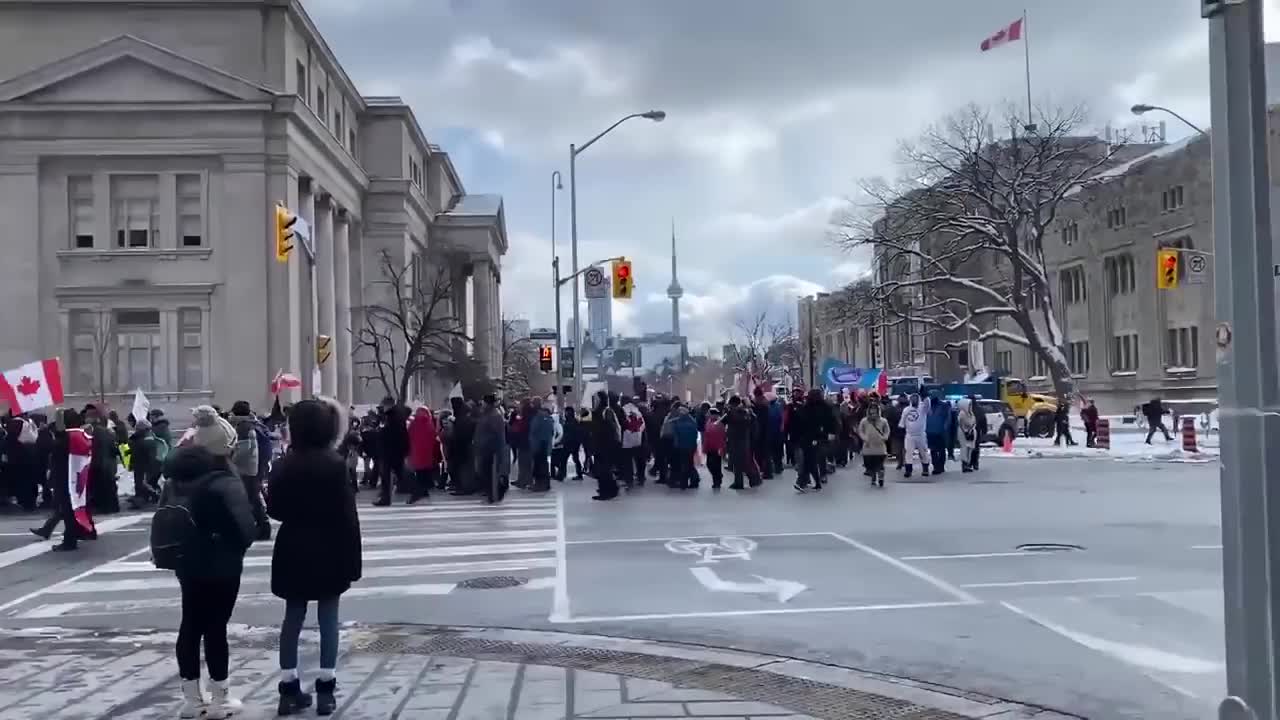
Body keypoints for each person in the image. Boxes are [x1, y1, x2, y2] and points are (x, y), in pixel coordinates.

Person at [267, 397, 363, 716]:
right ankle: (326, 688)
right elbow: (348, 517)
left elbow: (274, 509)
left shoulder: (284, 464)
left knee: (292, 618)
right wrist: (354, 562)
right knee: (328, 619)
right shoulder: (336, 466)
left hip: (293, 544)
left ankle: (288, 686)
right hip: (330, 544)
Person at [160, 442, 257, 719]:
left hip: (186, 564)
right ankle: (220, 698)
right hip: (221, 565)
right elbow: (246, 531)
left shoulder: (174, 485)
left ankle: (192, 700)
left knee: (190, 625)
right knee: (216, 628)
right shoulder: (222, 485)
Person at [406, 406, 440, 503]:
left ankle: (419, 493)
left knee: (419, 473)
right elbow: (434, 436)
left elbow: (408, 436)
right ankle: (423, 491)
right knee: (425, 473)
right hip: (427, 454)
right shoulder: (429, 424)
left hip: (416, 453)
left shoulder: (413, 424)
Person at [858, 397, 890, 487]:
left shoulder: (883, 421)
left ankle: (880, 477)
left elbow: (887, 430)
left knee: (880, 464)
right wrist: (864, 438)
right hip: (868, 446)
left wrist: (885, 437)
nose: (873, 412)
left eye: (875, 410)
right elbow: (860, 430)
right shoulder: (864, 421)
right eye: (871, 409)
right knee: (870, 465)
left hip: (880, 446)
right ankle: (873, 476)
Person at [900, 394, 930, 479]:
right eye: (912, 399)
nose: (914, 401)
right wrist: (901, 426)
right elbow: (903, 420)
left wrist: (925, 395)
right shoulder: (906, 410)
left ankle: (925, 469)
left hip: (921, 435)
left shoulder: (922, 408)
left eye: (916, 399)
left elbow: (928, 404)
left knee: (923, 452)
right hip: (910, 435)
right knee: (908, 453)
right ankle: (908, 470)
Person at [702, 408, 727, 489]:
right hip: (710, 447)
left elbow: (722, 436)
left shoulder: (719, 423)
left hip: (717, 448)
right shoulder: (708, 422)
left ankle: (717, 481)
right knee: (710, 464)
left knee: (716, 465)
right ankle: (717, 478)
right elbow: (706, 436)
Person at [956, 399, 978, 473]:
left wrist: (972, 428)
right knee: (965, 448)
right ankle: (965, 464)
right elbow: (961, 423)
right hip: (964, 433)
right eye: (969, 405)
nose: (970, 406)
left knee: (970, 448)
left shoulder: (971, 413)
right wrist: (966, 430)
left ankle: (968, 464)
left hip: (970, 433)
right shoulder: (962, 413)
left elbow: (974, 422)